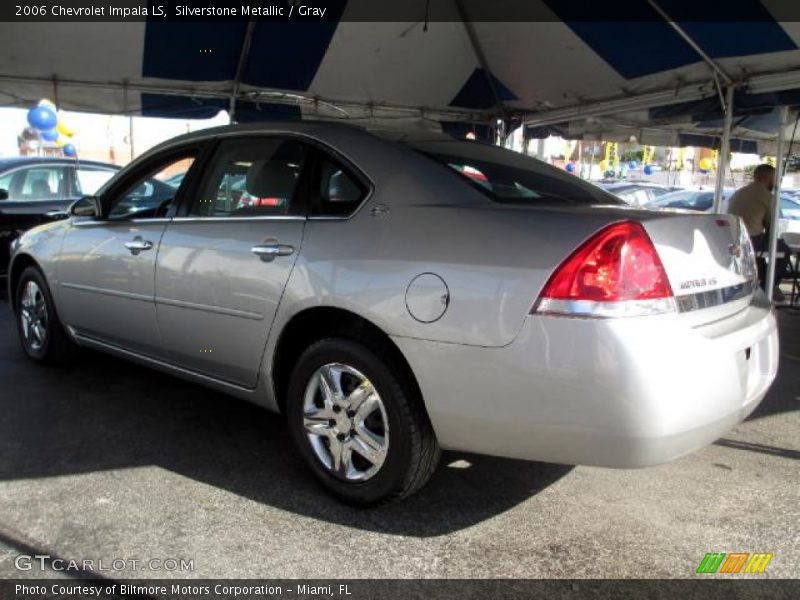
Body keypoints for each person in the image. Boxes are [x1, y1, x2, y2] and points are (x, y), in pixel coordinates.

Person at [727, 163, 790, 302]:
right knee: (784, 251)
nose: (776, 182)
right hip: (751, 240)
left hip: (731, 239)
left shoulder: (739, 192)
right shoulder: (767, 197)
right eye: (775, 178)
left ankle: (761, 282)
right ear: (768, 178)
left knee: (761, 256)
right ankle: (769, 286)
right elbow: (771, 226)